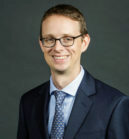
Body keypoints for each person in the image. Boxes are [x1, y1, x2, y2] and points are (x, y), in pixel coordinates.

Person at [17, 4, 129, 139]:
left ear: (84, 42)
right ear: (41, 44)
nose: (57, 48)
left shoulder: (114, 104)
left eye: (68, 39)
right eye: (49, 39)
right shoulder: (28, 102)